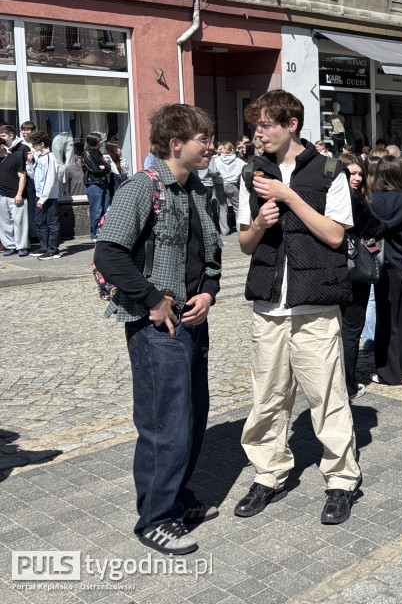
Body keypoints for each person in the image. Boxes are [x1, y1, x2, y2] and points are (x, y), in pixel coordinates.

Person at [93, 104, 222, 555]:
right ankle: (154, 518)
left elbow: (211, 256)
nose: (211, 146)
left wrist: (208, 291)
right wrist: (152, 300)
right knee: (163, 425)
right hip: (156, 326)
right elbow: (108, 253)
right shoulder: (141, 188)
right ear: (176, 144)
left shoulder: (196, 191)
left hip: (192, 318)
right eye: (203, 139)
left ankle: (177, 497)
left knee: (193, 418)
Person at [234, 90, 360, 526]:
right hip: (269, 303)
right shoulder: (252, 172)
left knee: (327, 398)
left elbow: (335, 236)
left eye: (266, 124)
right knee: (266, 398)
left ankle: (342, 480)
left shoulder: (329, 171)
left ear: (291, 124)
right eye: (255, 125)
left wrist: (289, 198)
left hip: (315, 303)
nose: (258, 133)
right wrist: (258, 225)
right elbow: (245, 243)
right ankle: (268, 474)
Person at [368, 155, 402, 385]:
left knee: (385, 319)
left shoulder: (371, 200)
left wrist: (372, 250)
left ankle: (388, 371)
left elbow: (366, 232)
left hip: (382, 264)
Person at [339, 154, 386, 400]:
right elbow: (375, 228)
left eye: (360, 173)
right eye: (351, 173)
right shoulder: (353, 200)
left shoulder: (329, 195)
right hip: (353, 269)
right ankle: (347, 385)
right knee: (351, 328)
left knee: (339, 329)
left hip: (334, 269)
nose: (356, 178)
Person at [27, 132, 61, 259]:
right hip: (40, 194)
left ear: (42, 144)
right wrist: (29, 163)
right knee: (40, 221)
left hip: (48, 196)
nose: (33, 147)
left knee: (52, 222)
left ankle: (53, 249)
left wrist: (43, 197)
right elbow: (33, 176)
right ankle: (44, 246)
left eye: (35, 144)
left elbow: (50, 179)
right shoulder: (39, 157)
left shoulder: (50, 158)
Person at [0, 123, 30, 256]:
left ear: (2, 146)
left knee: (20, 221)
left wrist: (19, 194)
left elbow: (22, 176)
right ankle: (9, 245)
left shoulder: (15, 158)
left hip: (15, 194)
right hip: (1, 195)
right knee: (4, 222)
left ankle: (22, 246)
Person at [210, 141, 244, 234]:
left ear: (224, 150)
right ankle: (240, 229)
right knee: (237, 207)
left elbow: (212, 171)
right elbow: (246, 168)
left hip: (219, 184)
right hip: (232, 184)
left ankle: (225, 231)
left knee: (222, 207)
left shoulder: (216, 160)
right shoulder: (238, 161)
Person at [82, 133, 110, 240]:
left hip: (103, 183)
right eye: (100, 140)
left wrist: (103, 168)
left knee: (105, 209)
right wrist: (102, 169)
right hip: (94, 184)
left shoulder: (98, 153)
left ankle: (102, 232)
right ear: (95, 141)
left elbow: (108, 168)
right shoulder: (87, 154)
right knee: (96, 210)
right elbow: (95, 169)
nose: (102, 141)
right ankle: (95, 233)